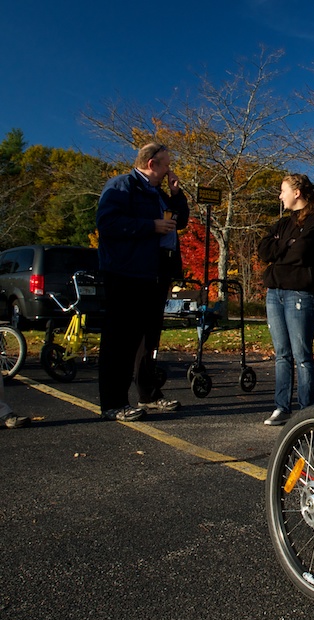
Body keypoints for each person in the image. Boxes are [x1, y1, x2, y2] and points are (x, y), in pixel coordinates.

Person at [96, 142, 189, 422]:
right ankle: (113, 402)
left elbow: (180, 221)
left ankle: (148, 393)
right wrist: (151, 226)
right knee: (120, 338)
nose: (169, 170)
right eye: (166, 165)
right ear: (152, 164)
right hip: (126, 272)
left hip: (155, 272)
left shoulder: (158, 193)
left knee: (148, 338)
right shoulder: (122, 186)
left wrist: (176, 194)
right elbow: (108, 224)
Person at [257, 174, 314, 426]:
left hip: (301, 293)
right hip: (275, 292)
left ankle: (307, 411)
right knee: (282, 354)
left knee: (302, 354)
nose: (280, 196)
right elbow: (263, 251)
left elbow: (301, 252)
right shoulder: (283, 223)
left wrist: (282, 249)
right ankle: (282, 407)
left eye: (283, 191)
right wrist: (285, 245)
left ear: (296, 192)